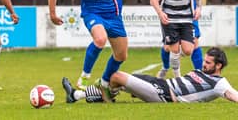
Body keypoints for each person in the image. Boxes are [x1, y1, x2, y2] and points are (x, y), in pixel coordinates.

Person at [48, 0, 131, 102]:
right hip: (92, 13)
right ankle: (84, 77)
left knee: (121, 55)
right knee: (100, 39)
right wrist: (52, 14)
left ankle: (105, 83)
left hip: (114, 15)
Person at [62, 47, 238, 103]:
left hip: (166, 96)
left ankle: (105, 97)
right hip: (161, 83)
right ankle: (76, 95)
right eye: (204, 60)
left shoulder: (219, 83)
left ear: (218, 65)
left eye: (208, 63)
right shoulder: (200, 72)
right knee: (124, 79)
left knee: (115, 77)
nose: (203, 64)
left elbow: (233, 94)